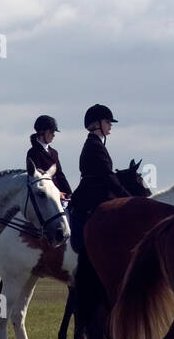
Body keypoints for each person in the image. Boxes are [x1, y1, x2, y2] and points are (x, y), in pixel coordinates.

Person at [69, 104, 133, 252]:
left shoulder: (96, 144)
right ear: (97, 124)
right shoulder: (94, 145)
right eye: (107, 122)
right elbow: (107, 175)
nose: (110, 125)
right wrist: (127, 197)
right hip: (93, 196)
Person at [26, 116, 72, 206]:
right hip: (46, 196)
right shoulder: (33, 152)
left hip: (61, 195)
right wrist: (57, 193)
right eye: (51, 132)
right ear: (41, 132)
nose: (53, 135)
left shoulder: (54, 152)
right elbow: (39, 178)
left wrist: (69, 193)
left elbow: (60, 174)